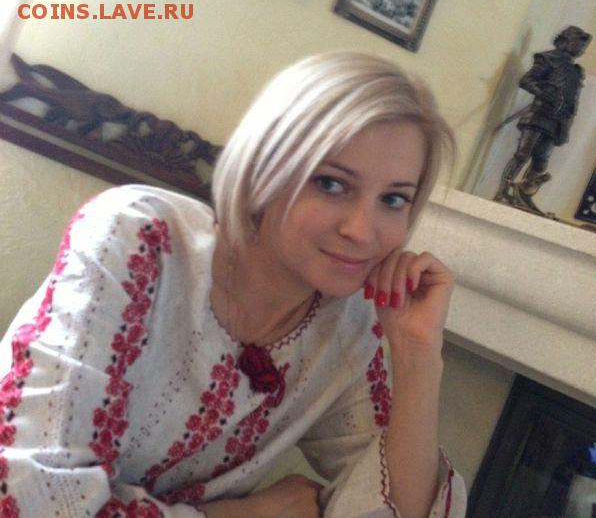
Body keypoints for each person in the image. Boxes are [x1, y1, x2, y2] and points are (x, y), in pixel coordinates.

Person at [0, 51, 467, 517]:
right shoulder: (140, 238)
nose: (362, 231)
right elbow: (28, 499)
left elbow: (397, 510)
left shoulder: (347, 330)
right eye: (330, 184)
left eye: (393, 199)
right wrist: (247, 514)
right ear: (266, 166)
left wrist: (419, 354)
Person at [494, 25, 592, 206]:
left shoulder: (576, 71)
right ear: (567, 41)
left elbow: (573, 101)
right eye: (579, 45)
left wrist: (567, 122)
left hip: (558, 120)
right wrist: (545, 94)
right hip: (539, 115)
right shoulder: (549, 58)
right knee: (522, 155)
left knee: (541, 162)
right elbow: (526, 81)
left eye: (583, 47)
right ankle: (502, 192)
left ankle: (523, 195)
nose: (581, 50)